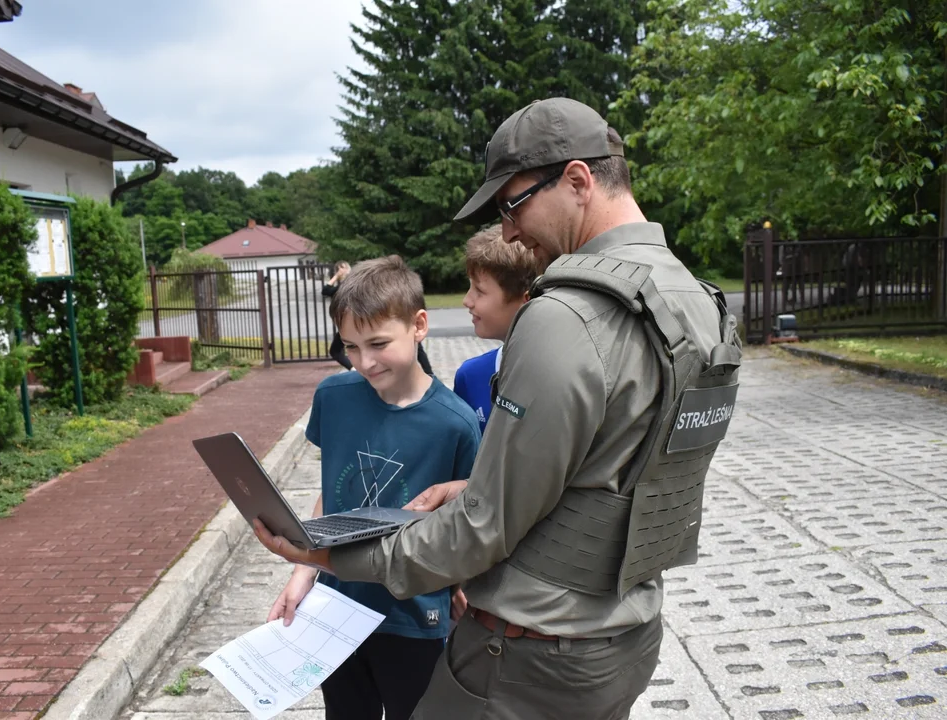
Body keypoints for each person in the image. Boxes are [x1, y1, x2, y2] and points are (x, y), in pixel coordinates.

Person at [254, 98, 742, 719]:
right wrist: (478, 485)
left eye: (512, 204)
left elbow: (481, 532)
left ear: (577, 180)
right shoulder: (698, 301)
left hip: (526, 662)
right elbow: (621, 472)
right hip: (624, 641)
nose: (508, 231)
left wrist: (321, 553)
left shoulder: (564, 317)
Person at [269, 255, 481, 720]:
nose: (364, 361)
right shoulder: (333, 396)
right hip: (335, 604)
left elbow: (467, 517)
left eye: (379, 344)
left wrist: (460, 583)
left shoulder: (457, 424)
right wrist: (303, 571)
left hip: (414, 616)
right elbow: (332, 487)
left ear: (419, 325)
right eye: (350, 346)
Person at [453, 225, 537, 434]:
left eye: (479, 291)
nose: (467, 301)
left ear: (526, 300)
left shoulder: (559, 379)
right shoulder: (470, 376)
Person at [323, 260, 435, 374]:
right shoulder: (345, 289)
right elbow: (326, 290)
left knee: (416, 346)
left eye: (378, 344)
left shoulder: (363, 286)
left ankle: (429, 373)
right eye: (351, 346)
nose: (365, 364)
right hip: (352, 326)